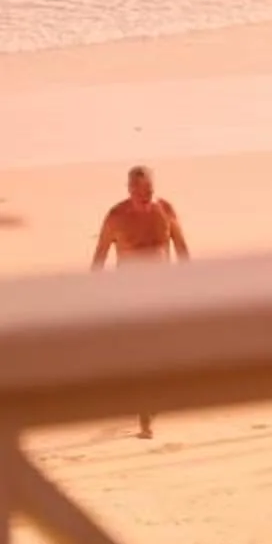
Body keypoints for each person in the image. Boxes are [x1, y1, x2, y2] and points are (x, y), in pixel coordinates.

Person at [90, 165, 191, 439]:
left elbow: (181, 249)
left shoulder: (165, 210)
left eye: (149, 189)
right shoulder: (116, 217)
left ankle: (152, 402)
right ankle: (145, 417)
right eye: (139, 190)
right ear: (129, 189)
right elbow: (99, 256)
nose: (145, 195)